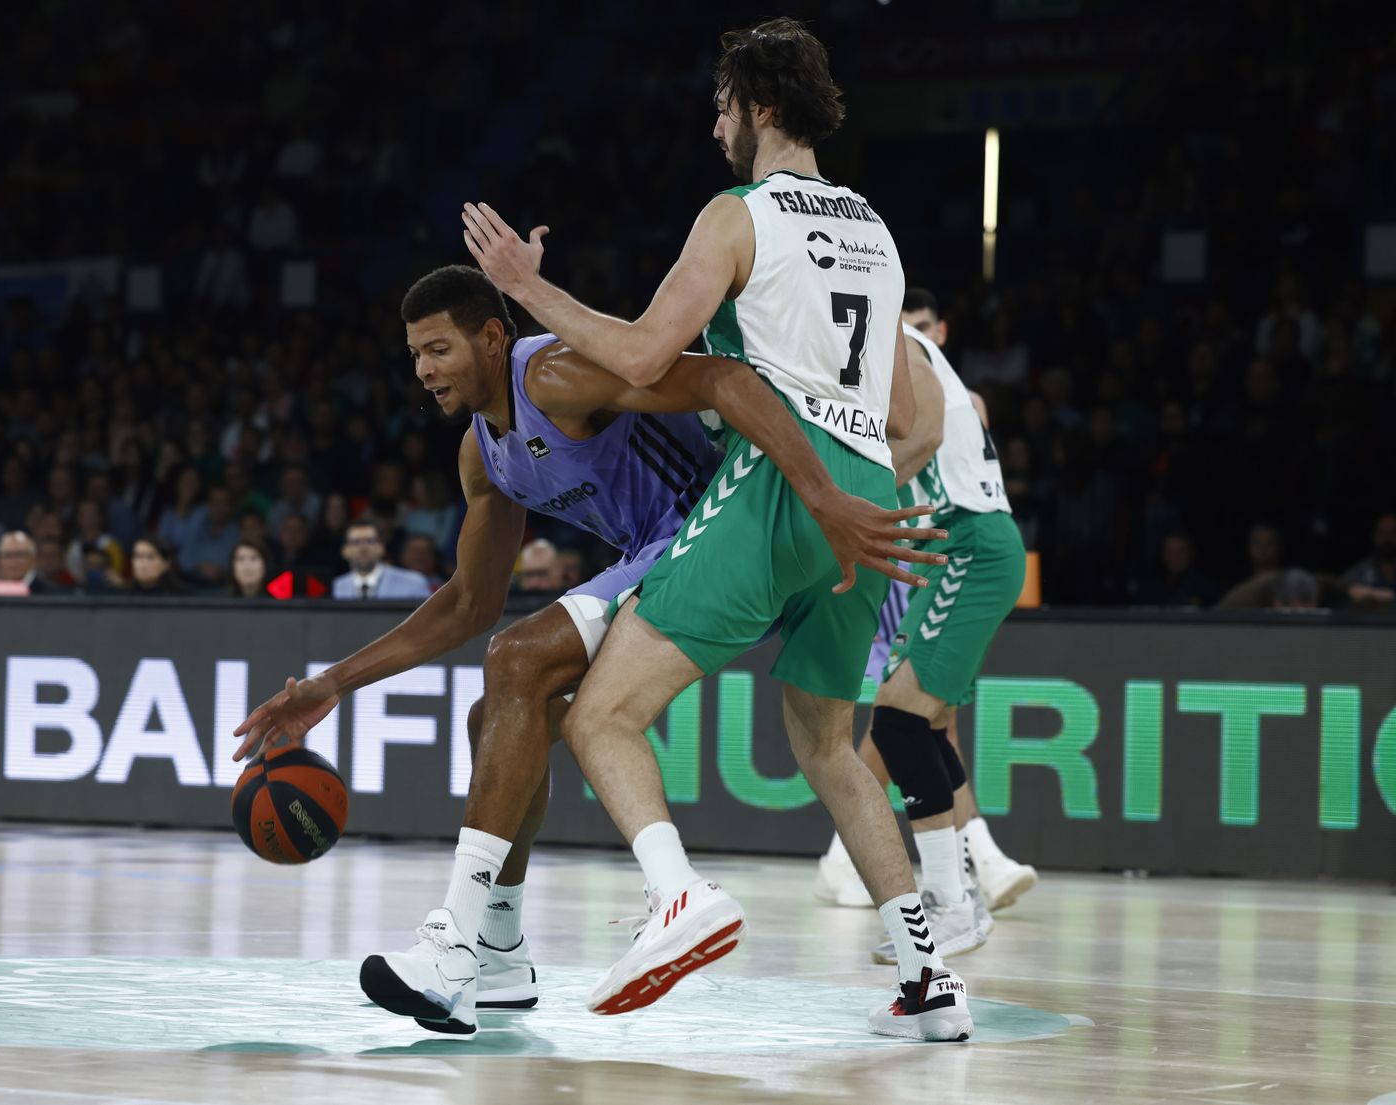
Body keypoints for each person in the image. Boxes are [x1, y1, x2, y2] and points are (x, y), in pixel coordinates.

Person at [233, 263, 938, 1036]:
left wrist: (815, 493)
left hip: (716, 537)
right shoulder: (483, 455)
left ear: (492, 336)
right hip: (668, 558)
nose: (423, 371)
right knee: (498, 715)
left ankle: (455, 944)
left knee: (517, 661)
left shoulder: (556, 374)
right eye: (414, 355)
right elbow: (470, 601)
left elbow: (722, 380)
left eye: (438, 349)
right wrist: (334, 682)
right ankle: (499, 947)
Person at [463, 18, 969, 1039]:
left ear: (762, 108)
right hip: (865, 490)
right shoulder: (874, 228)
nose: (714, 126)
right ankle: (931, 984)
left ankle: (678, 898)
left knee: (600, 714)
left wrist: (527, 288)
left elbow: (648, 355)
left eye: (723, 108)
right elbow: (917, 421)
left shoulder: (738, 214)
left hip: (777, 477)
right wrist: (857, 487)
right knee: (828, 743)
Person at [815, 290, 1037, 920]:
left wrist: (850, 509)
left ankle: (947, 893)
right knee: (921, 719)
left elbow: (928, 432)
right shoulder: (932, 365)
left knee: (902, 720)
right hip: (945, 544)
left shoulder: (903, 349)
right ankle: (960, 878)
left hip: (961, 538)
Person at [330, 520, 433, 600]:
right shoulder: (335, 587)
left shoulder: (414, 583)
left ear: (381, 548)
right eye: (356, 542)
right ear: (344, 551)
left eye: (370, 541)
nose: (363, 548)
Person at [178, 485, 240, 586]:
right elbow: (182, 561)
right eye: (215, 503)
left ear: (230, 507)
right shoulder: (195, 530)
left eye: (224, 503)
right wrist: (199, 566)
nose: (220, 508)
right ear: (208, 506)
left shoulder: (238, 534)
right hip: (193, 588)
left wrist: (223, 570)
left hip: (227, 589)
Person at [0, 530, 71, 594]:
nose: (14, 561)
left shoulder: (55, 594)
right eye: (8, 555)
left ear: (33, 559)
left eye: (20, 554)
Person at [1342, 513, 1396, 590]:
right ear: (1374, 536)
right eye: (1381, 533)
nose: (1387, 539)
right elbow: (1341, 586)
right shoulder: (1360, 572)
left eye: (1392, 533)